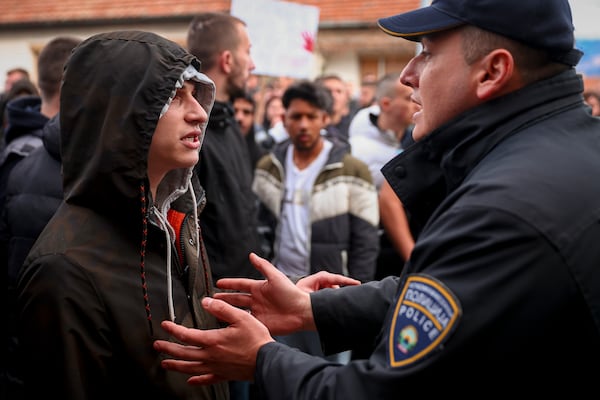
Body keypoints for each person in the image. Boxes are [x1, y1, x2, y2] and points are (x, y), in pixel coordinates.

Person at [154, 0, 600, 394]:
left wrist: (264, 359)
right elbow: (462, 295)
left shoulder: (503, 208)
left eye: (426, 52)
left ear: (493, 71)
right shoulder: (564, 154)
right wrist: (314, 309)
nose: (407, 76)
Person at [16, 30, 229, 400]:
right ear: (125, 114)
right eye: (175, 97)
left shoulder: (177, 219)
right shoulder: (64, 270)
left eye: (196, 95)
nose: (198, 113)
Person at [251, 79, 379, 361]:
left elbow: (366, 240)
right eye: (296, 116)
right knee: (278, 371)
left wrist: (354, 297)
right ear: (284, 119)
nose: (304, 125)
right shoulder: (267, 167)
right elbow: (258, 231)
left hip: (329, 298)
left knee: (330, 378)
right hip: (280, 291)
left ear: (325, 118)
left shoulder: (352, 169)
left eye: (312, 116)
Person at [186, 12, 264, 400]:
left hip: (244, 303)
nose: (254, 63)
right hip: (213, 313)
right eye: (248, 52)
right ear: (228, 60)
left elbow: (240, 213)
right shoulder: (189, 134)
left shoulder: (231, 124)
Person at [348, 72, 419, 279]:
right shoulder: (358, 148)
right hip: (370, 249)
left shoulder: (413, 138)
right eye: (408, 97)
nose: (416, 101)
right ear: (386, 104)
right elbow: (387, 200)